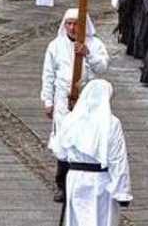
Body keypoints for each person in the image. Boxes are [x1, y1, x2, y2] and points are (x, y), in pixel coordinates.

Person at [41, 8, 110, 202]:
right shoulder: (55, 46)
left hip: (87, 102)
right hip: (63, 100)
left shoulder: (94, 44)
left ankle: (82, 182)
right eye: (68, 23)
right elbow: (49, 74)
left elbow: (102, 67)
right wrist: (48, 100)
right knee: (63, 141)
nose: (72, 27)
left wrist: (88, 54)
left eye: (76, 23)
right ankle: (62, 184)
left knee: (84, 141)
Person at [55, 79, 132, 226]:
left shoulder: (70, 120)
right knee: (100, 220)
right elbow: (118, 159)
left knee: (77, 220)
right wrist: (122, 191)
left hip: (76, 179)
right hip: (101, 181)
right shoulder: (111, 123)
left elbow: (61, 152)